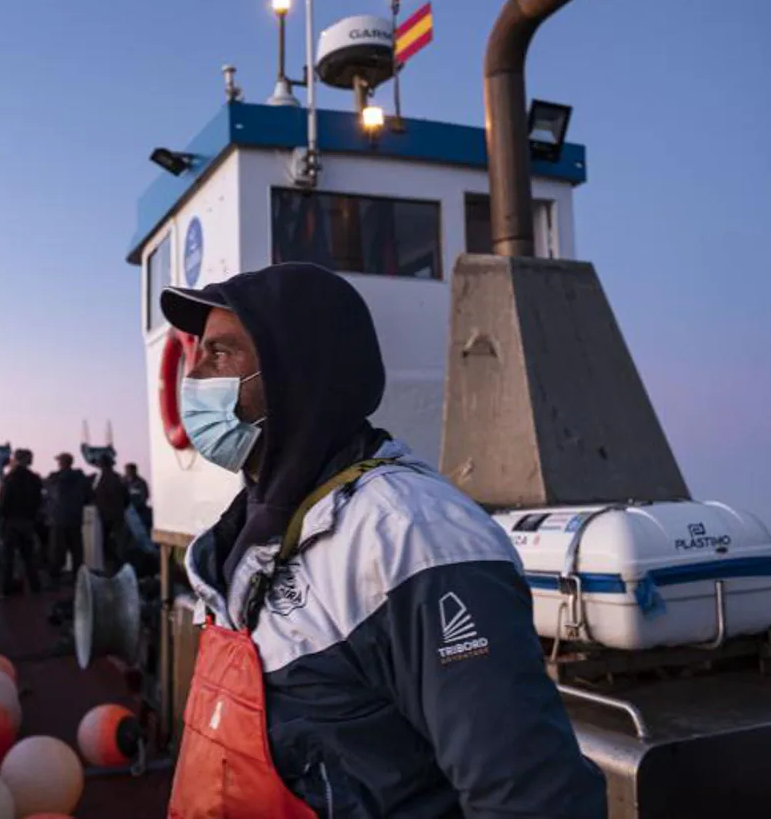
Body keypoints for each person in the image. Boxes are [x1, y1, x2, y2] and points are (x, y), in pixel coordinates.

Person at [160, 263, 606, 819]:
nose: (195, 375)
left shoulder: (412, 538)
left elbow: (529, 798)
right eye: (198, 353)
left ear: (297, 371)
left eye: (221, 354)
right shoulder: (250, 529)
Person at [0, 448, 44, 596]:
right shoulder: (35, 479)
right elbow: (39, 502)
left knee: (8, 559)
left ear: (16, 459)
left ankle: (5, 591)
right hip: (27, 523)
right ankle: (35, 588)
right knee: (29, 558)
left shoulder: (10, 478)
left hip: (10, 524)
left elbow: (2, 502)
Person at [45, 453, 91, 583]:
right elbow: (88, 496)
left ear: (61, 463)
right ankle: (79, 577)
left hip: (58, 519)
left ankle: (55, 578)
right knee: (77, 550)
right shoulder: (80, 478)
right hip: (75, 518)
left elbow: (47, 494)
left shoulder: (54, 478)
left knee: (57, 551)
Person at [92, 454, 131, 571]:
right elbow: (127, 498)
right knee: (119, 542)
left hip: (105, 516)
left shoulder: (99, 479)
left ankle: (110, 566)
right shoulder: (118, 478)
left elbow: (94, 497)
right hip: (117, 515)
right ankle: (117, 566)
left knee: (107, 543)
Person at [123, 462, 152, 531]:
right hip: (125, 511)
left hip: (139, 510)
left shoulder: (141, 482)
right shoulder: (122, 481)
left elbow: (145, 496)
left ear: (135, 470)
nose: (128, 472)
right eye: (127, 471)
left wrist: (136, 507)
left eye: (130, 471)